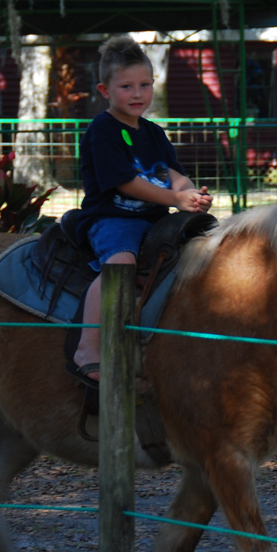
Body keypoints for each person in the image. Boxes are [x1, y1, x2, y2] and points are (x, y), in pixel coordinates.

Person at [70, 35, 212, 386]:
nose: (137, 94)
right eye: (126, 86)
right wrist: (174, 200)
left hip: (152, 220)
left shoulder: (153, 133)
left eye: (145, 85)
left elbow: (171, 174)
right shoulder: (102, 130)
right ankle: (88, 345)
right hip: (112, 218)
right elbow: (125, 183)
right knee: (121, 263)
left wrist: (190, 193)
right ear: (105, 90)